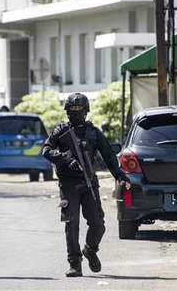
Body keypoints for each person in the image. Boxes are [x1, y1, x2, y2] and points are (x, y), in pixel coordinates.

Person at [43, 92, 130, 277]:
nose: (76, 111)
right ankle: (75, 263)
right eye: (72, 108)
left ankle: (90, 250)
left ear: (86, 110)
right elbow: (46, 150)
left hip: (89, 182)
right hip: (68, 184)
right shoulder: (62, 130)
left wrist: (120, 175)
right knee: (71, 223)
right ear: (67, 111)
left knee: (98, 223)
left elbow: (108, 155)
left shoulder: (93, 132)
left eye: (79, 108)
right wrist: (66, 159)